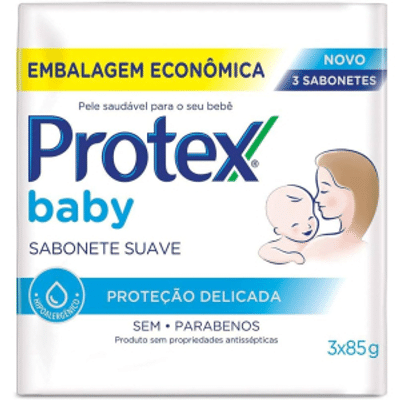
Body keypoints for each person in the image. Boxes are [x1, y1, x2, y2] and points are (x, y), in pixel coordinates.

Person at [303, 149, 379, 260]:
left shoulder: (318, 249)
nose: (316, 199)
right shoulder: (373, 252)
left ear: (351, 191)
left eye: (324, 190)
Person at [259, 185, 319, 264]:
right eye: (296, 225)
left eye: (310, 218)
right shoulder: (281, 245)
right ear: (278, 230)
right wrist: (291, 257)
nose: (307, 226)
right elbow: (264, 251)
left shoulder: (316, 242)